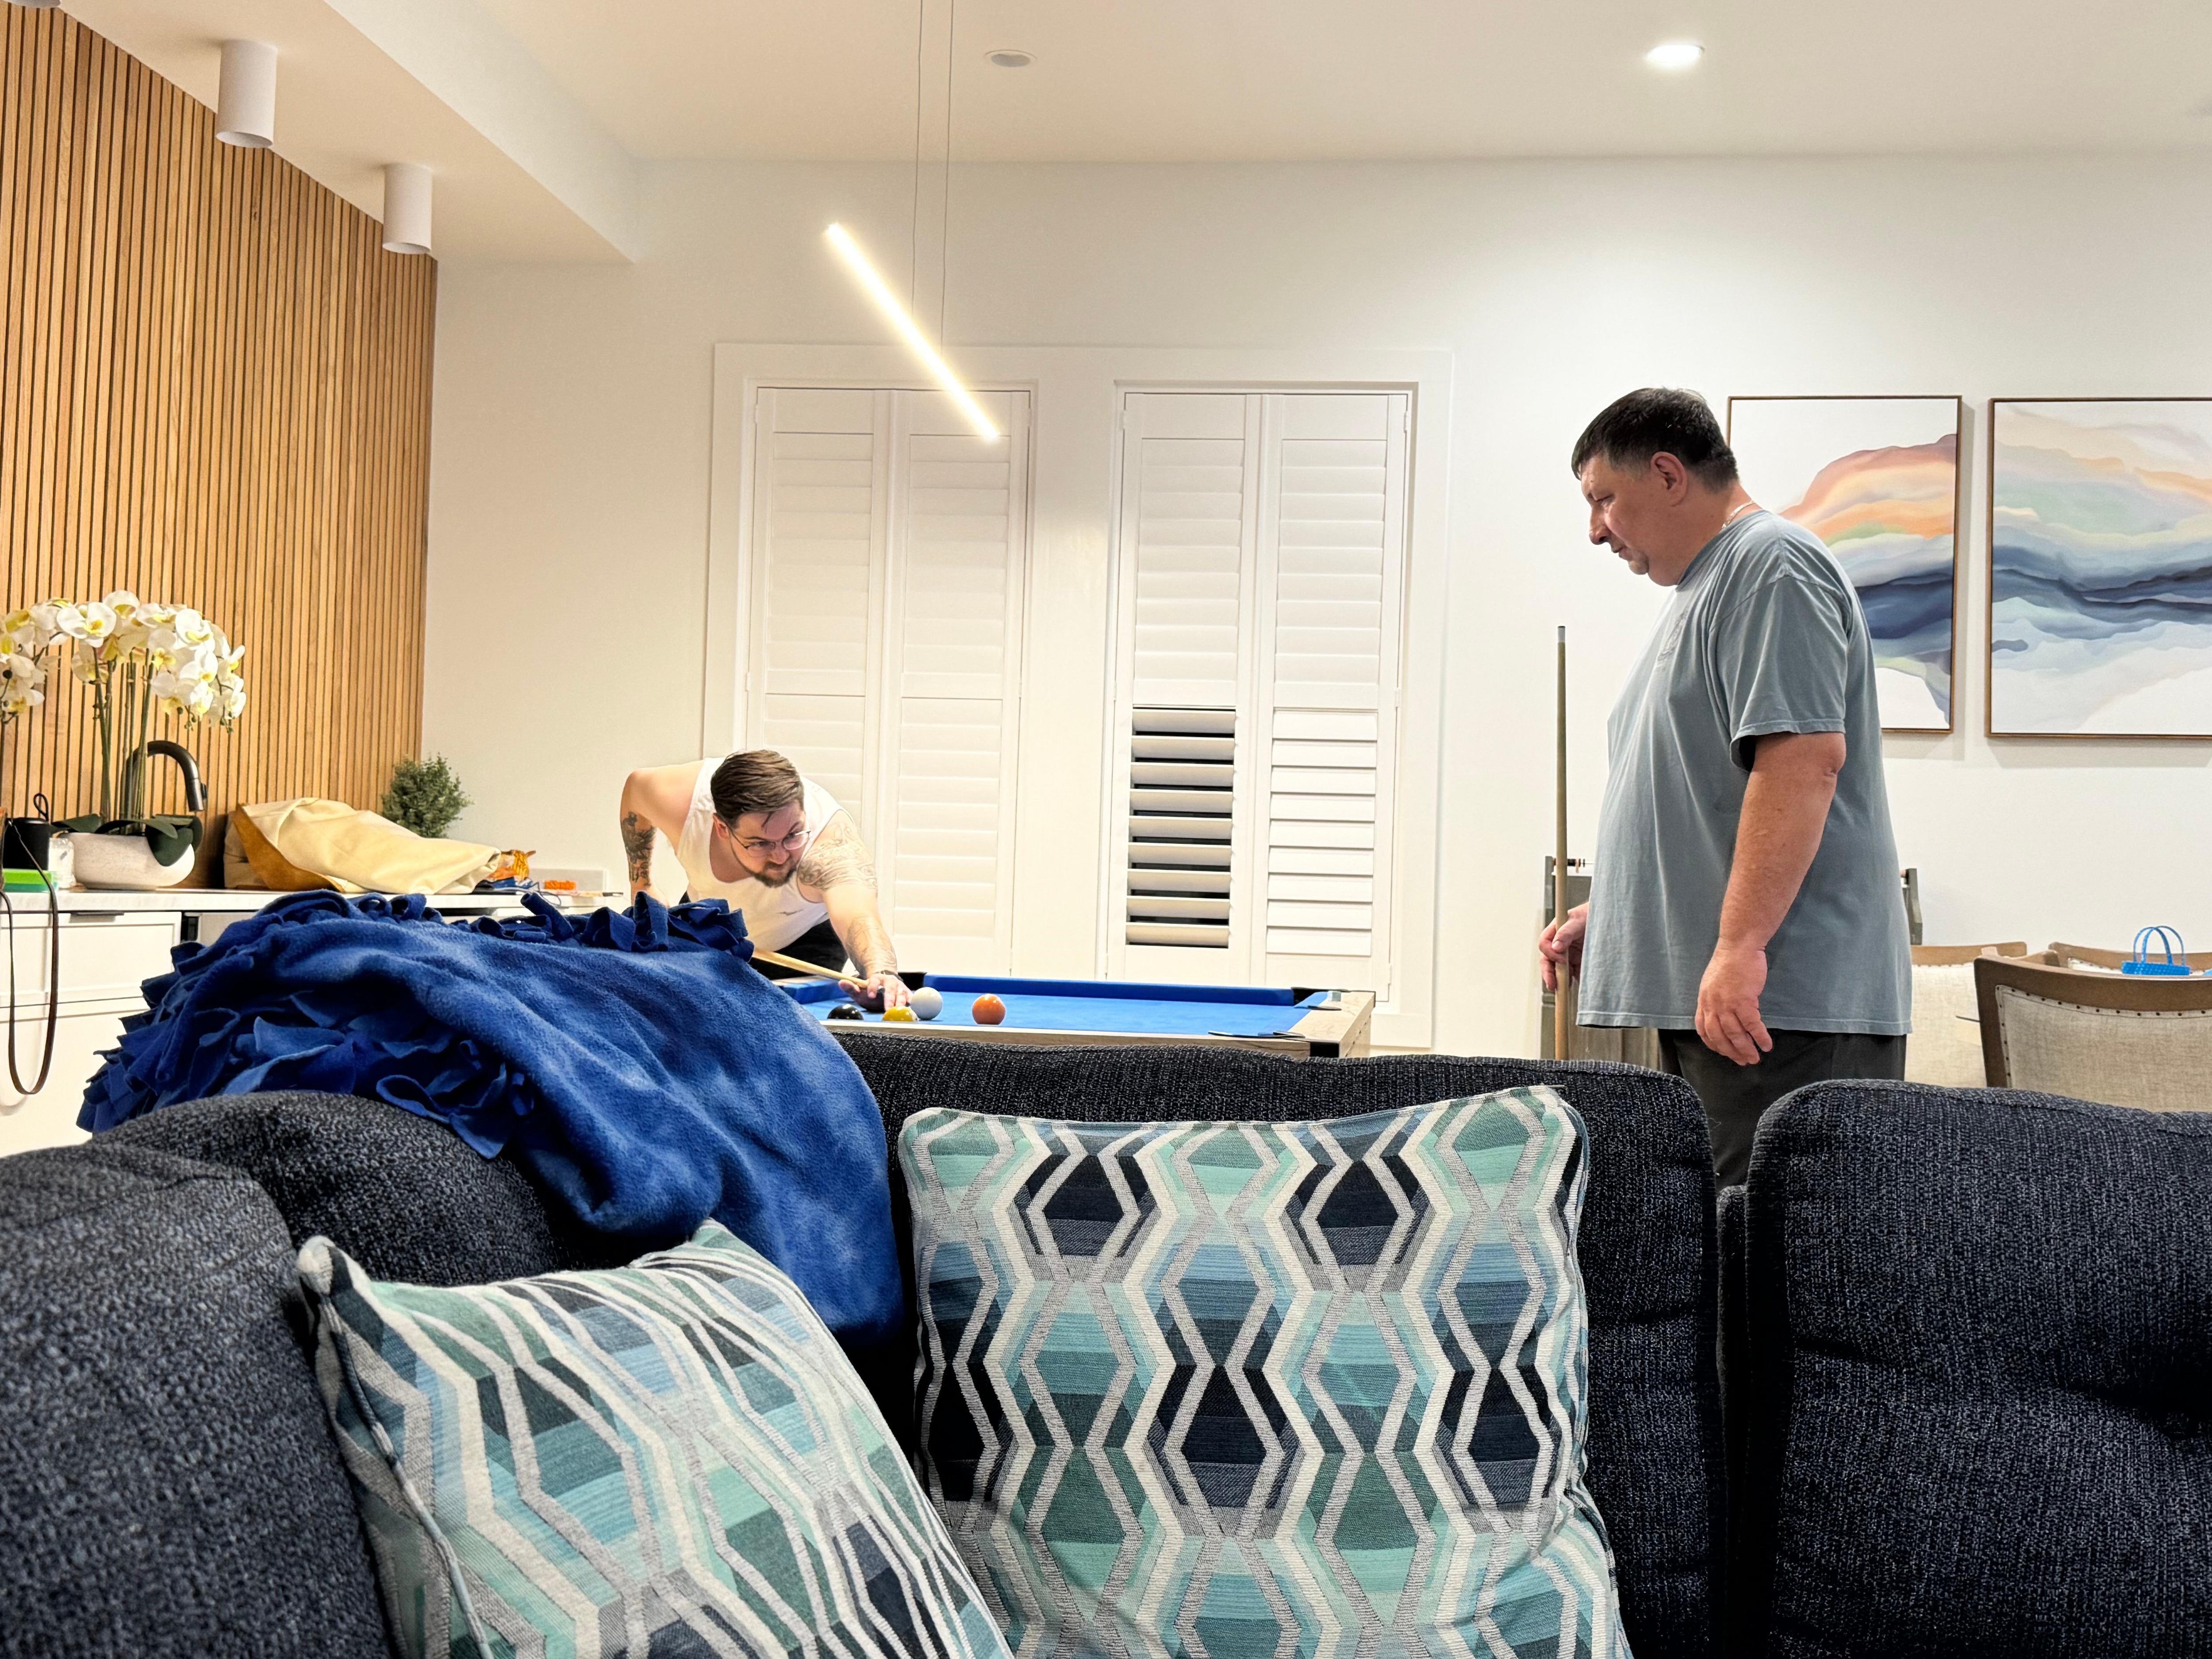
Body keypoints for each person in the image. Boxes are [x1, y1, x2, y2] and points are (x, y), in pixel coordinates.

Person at [1537, 388, 1910, 1186]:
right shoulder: (1711, 586)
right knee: (1712, 1261)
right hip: (1728, 1000)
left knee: (1762, 1269)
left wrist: (1740, 948)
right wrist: (1623, 912)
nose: (1596, 529)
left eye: (1604, 498)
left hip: (1780, 1011)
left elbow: (1803, 763)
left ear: (1668, 474)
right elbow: (1704, 791)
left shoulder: (1770, 564)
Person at [618, 749, 909, 1009]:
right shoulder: (679, 802)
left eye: (793, 835)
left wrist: (880, 972)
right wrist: (642, 883)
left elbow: (859, 916)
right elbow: (635, 790)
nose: (781, 856)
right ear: (721, 827)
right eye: (760, 843)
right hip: (712, 923)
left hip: (803, 938)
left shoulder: (830, 847)